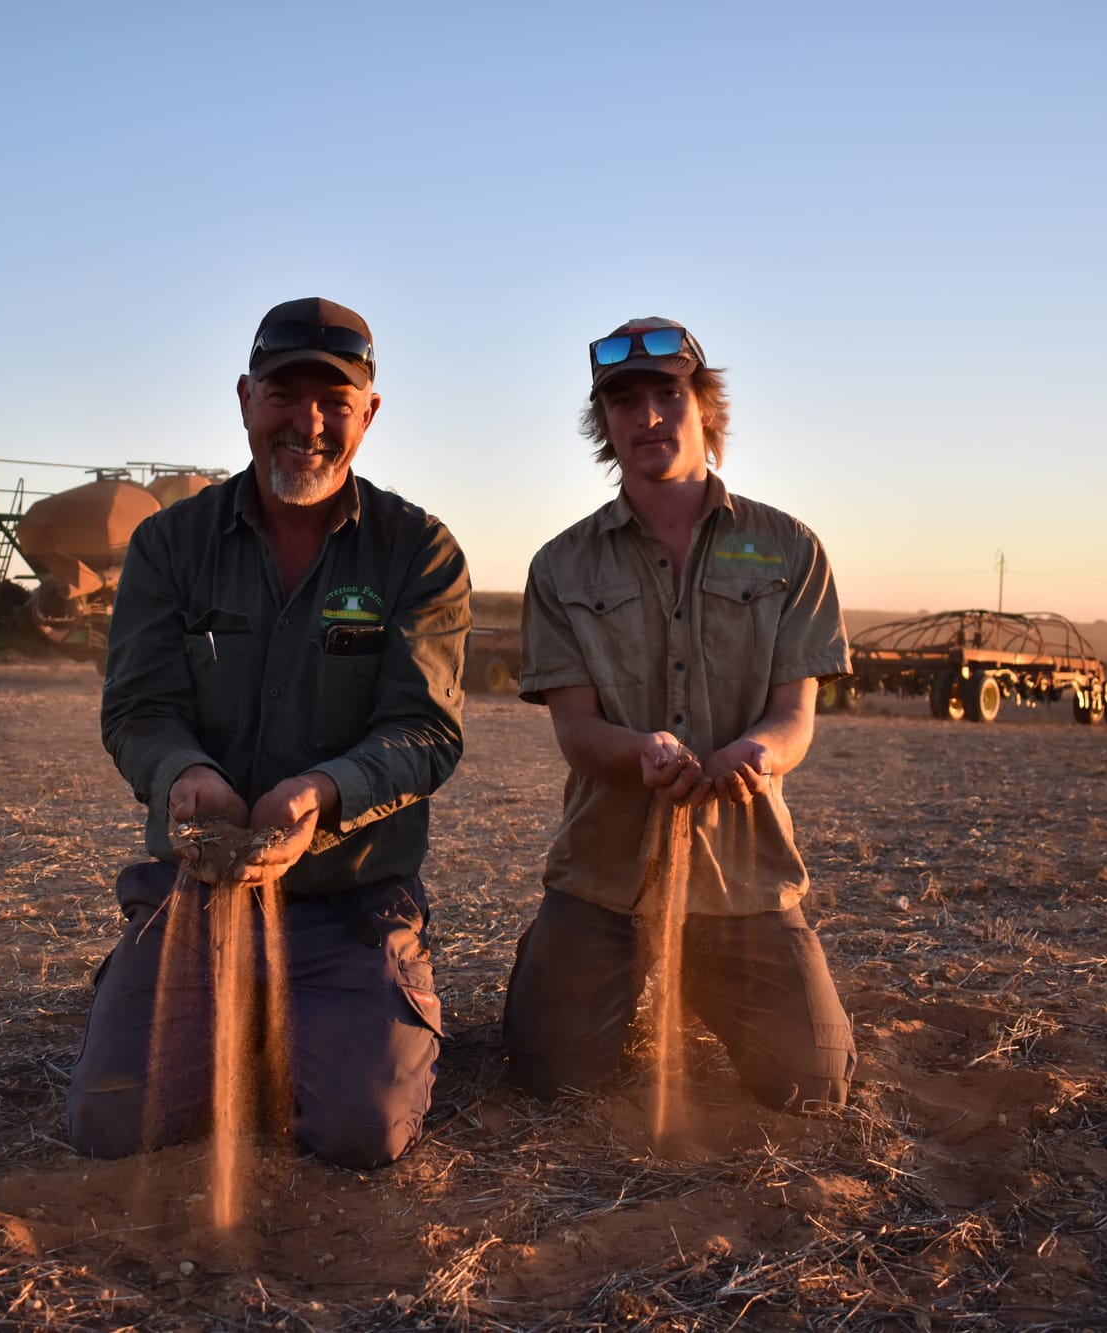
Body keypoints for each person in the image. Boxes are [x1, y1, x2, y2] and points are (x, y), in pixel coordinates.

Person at [67, 297, 470, 1169]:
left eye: (335, 400)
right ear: (246, 397)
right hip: (194, 898)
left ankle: (369, 1000)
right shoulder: (170, 544)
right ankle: (203, 1008)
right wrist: (183, 773)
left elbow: (425, 729)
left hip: (346, 903)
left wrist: (322, 795)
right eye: (285, 394)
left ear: (369, 412)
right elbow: (137, 708)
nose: (309, 423)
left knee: (362, 1134)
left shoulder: (418, 551)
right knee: (110, 1125)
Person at [500, 317, 856, 1114]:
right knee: (546, 1077)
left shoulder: (788, 548)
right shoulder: (562, 565)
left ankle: (707, 975)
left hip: (743, 879)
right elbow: (576, 731)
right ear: (605, 424)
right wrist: (643, 753)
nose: (647, 416)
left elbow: (795, 715)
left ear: (706, 408)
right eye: (623, 401)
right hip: (605, 874)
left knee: (814, 1083)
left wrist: (758, 752)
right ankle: (578, 962)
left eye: (667, 394)